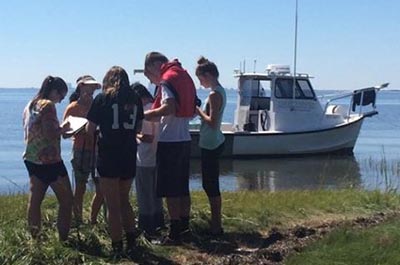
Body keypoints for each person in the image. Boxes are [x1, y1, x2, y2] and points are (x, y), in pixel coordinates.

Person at [86, 66, 143, 255]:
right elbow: (138, 127)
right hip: (128, 154)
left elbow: (90, 129)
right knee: (124, 199)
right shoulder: (135, 99)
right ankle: (132, 239)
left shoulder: (102, 99)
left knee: (113, 205)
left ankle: (117, 245)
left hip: (109, 155)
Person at [144, 52, 196, 244]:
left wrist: (146, 115)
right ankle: (185, 227)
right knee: (183, 188)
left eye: (149, 73)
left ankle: (174, 233)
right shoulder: (184, 76)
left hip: (170, 140)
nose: (152, 78)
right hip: (185, 139)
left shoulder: (167, 80)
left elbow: (169, 107)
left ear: (155, 65)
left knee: (170, 189)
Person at [22, 76, 73, 241]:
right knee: (67, 201)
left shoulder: (31, 104)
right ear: (54, 91)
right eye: (61, 96)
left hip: (32, 158)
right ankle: (63, 240)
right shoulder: (48, 105)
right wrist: (64, 128)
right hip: (49, 159)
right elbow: (50, 132)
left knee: (35, 200)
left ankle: (35, 240)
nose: (60, 101)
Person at [63, 75, 103, 224]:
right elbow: (65, 133)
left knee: (101, 188)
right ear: (81, 87)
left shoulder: (98, 104)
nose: (91, 90)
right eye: (88, 86)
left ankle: (93, 219)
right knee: (80, 187)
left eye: (93, 87)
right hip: (81, 148)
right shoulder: (73, 107)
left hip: (97, 149)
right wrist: (77, 129)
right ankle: (78, 220)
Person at [195, 57, 226, 236]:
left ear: (208, 75)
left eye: (200, 79)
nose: (200, 83)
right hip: (211, 141)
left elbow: (213, 122)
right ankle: (216, 223)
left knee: (210, 185)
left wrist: (197, 110)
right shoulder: (218, 91)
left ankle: (216, 225)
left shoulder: (214, 94)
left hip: (211, 143)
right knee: (209, 184)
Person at [131, 82, 164, 236]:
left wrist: (133, 134)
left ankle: (146, 226)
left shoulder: (145, 112)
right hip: (158, 155)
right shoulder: (157, 108)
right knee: (157, 194)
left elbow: (147, 137)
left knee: (144, 194)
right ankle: (159, 222)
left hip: (144, 158)